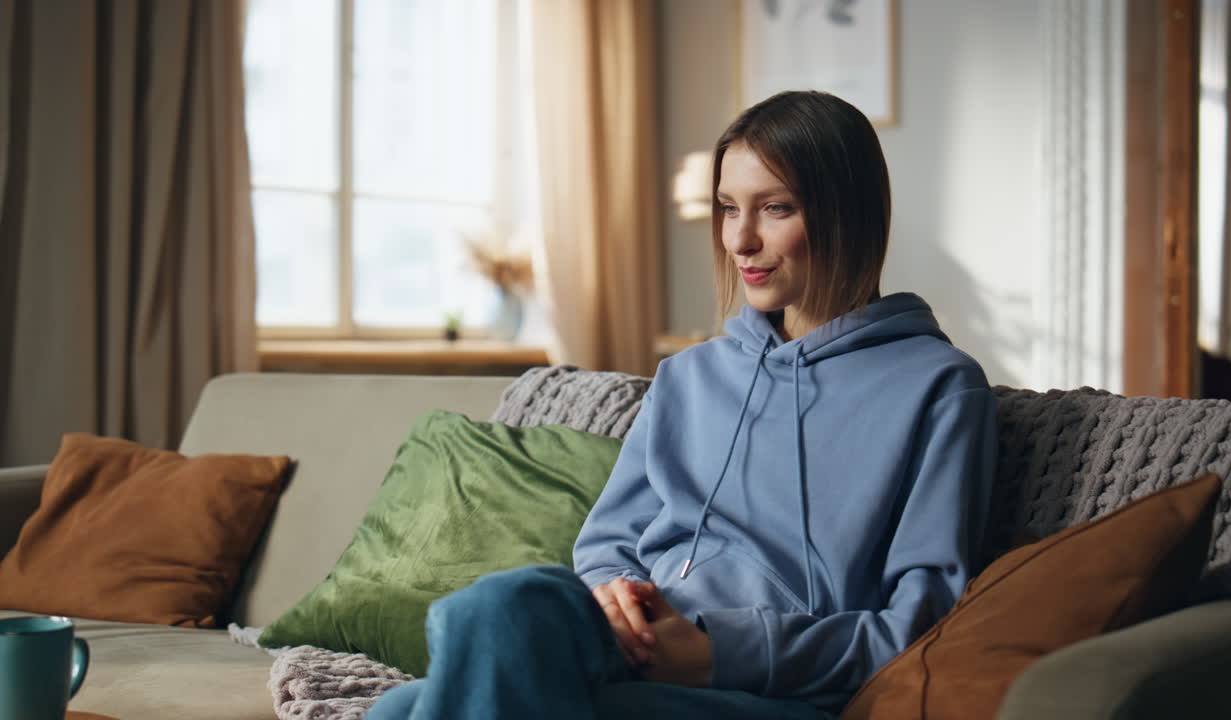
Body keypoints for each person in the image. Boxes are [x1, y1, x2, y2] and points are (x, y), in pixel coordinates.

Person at [367, 90, 997, 720]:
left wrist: (718, 652)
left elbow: (920, 624)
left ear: (847, 214)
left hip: (770, 689)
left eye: (775, 208)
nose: (740, 240)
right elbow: (609, 544)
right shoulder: (688, 378)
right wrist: (618, 601)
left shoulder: (937, 388)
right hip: (636, 654)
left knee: (448, 668)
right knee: (455, 653)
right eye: (728, 209)